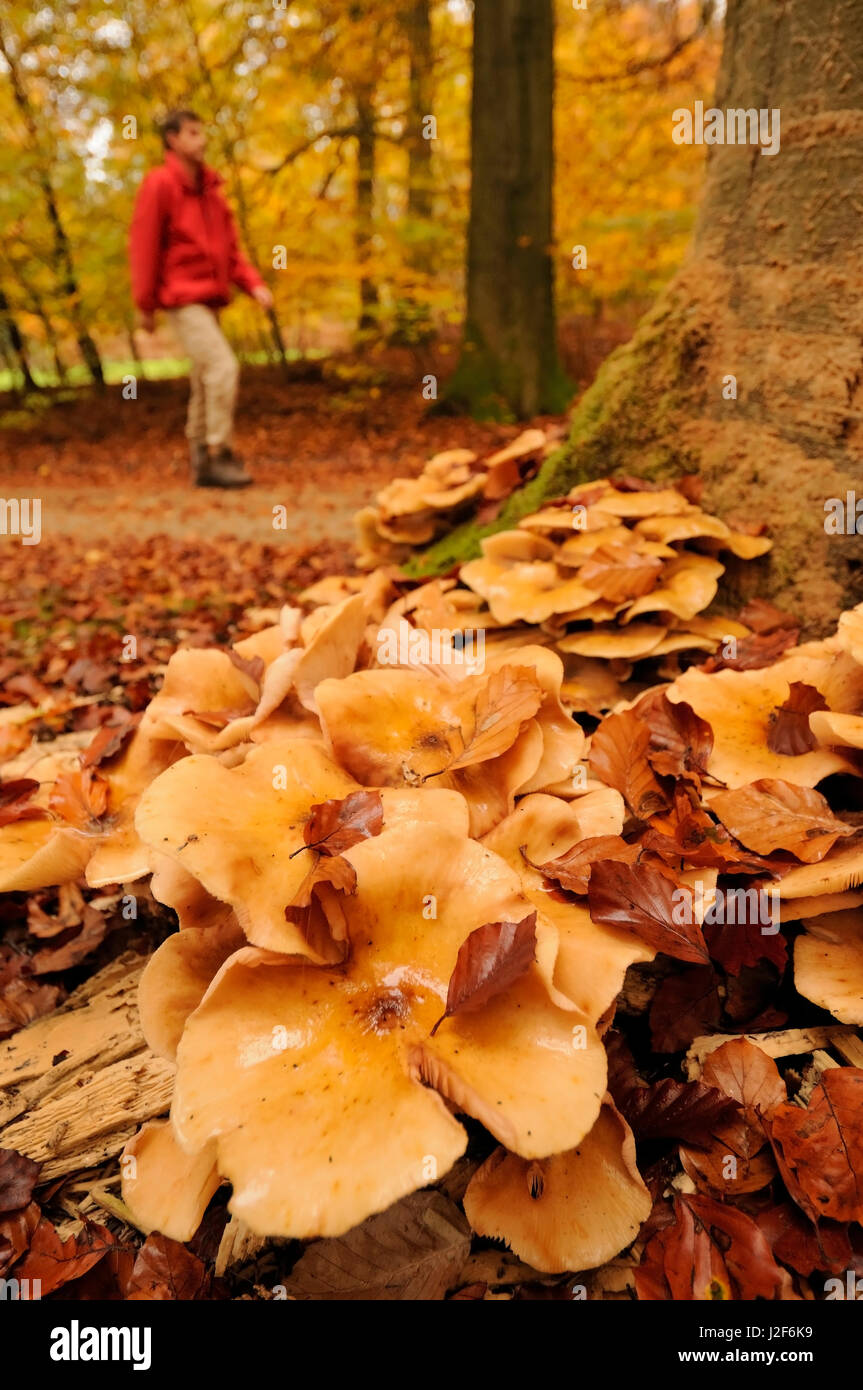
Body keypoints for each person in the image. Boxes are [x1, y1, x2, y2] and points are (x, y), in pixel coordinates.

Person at [129, 110, 274, 488]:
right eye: (193, 133)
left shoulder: (212, 193)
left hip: (210, 301)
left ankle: (200, 458)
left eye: (202, 132)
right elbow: (144, 246)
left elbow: (230, 252)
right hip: (181, 298)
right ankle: (218, 453)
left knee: (203, 378)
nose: (202, 140)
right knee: (223, 367)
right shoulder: (159, 184)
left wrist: (253, 284)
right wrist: (145, 304)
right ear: (173, 140)